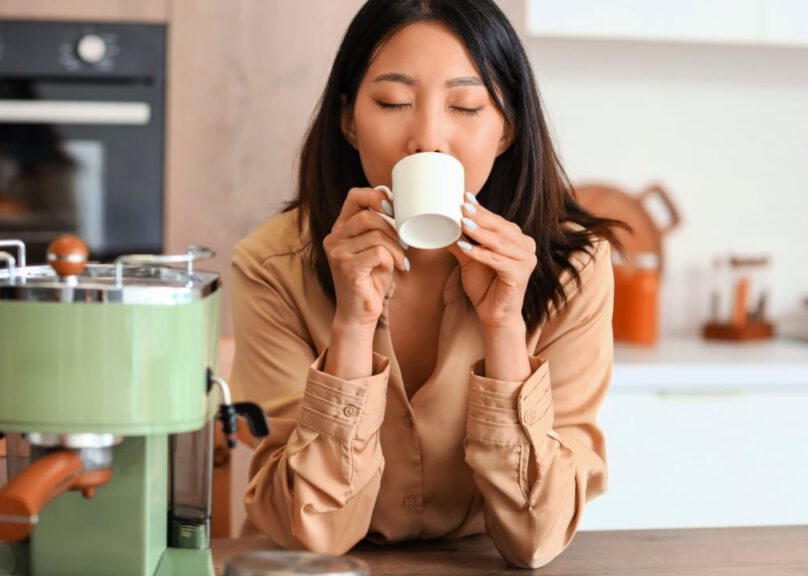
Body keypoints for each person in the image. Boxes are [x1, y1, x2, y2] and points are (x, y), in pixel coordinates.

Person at [229, 0, 621, 569]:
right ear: (347, 119)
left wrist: (504, 329)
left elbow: (537, 535)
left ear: (507, 129)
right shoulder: (273, 264)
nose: (429, 138)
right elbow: (311, 532)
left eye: (465, 105)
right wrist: (352, 325)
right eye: (393, 102)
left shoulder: (571, 267)